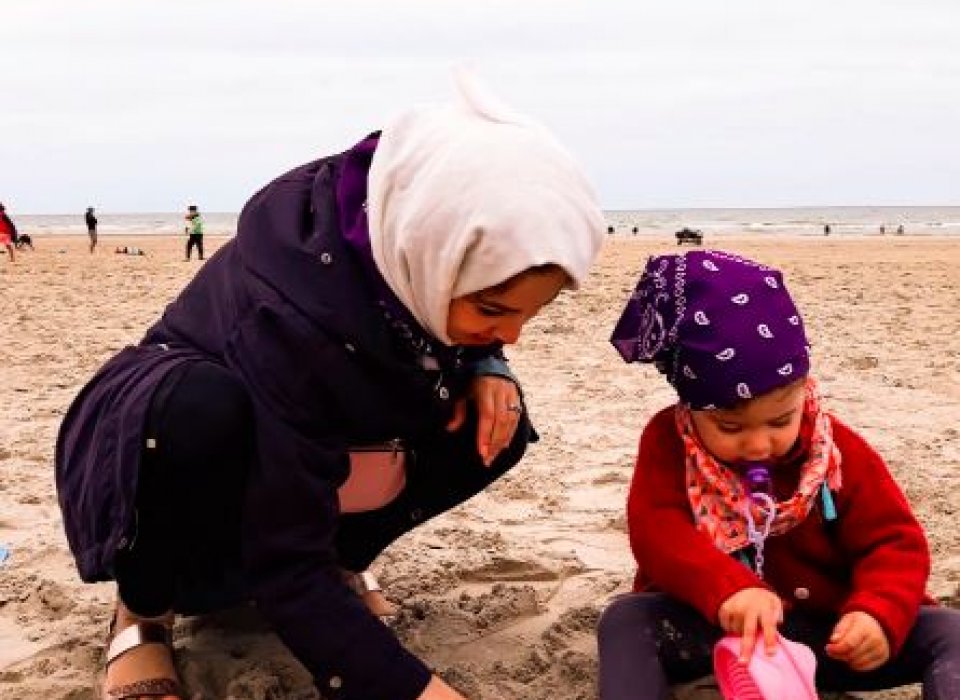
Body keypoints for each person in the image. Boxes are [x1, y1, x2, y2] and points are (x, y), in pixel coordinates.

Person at [55, 73, 604, 700]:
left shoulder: (405, 241)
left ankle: (342, 562)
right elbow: (284, 559)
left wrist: (487, 363)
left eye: (528, 314)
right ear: (419, 250)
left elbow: (475, 306)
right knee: (197, 410)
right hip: (184, 439)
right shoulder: (291, 311)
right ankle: (142, 612)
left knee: (495, 422)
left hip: (318, 426)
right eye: (492, 310)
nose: (514, 333)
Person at [598, 249, 960, 699]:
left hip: (834, 637)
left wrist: (876, 614)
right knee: (625, 622)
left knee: (951, 631)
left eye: (779, 422)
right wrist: (728, 591)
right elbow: (658, 532)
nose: (757, 445)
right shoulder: (668, 441)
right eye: (729, 427)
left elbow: (894, 541)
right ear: (690, 406)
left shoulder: (836, 450)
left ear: (804, 390)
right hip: (722, 632)